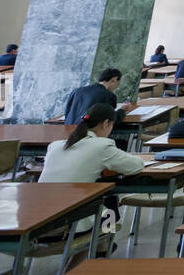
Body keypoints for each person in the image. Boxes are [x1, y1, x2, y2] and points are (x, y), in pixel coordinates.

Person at [39, 102, 145, 240]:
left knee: (104, 200)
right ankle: (102, 247)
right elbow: (135, 166)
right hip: (67, 225)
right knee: (111, 210)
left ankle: (99, 249)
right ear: (106, 123)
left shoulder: (55, 146)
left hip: (38, 222)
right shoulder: (101, 145)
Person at [63, 68, 133, 126]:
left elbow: (67, 113)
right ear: (113, 80)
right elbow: (110, 120)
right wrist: (122, 110)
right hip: (88, 135)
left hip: (67, 134)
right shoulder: (109, 95)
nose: (115, 87)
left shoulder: (77, 91)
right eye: (117, 84)